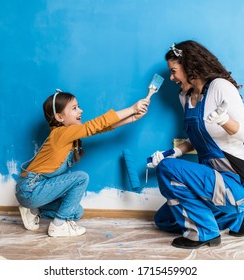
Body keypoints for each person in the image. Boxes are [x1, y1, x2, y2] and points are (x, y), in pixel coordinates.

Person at [149, 40, 244, 249]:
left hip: (237, 181)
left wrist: (223, 120)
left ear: (189, 66)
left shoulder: (220, 87)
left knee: (167, 170)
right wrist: (172, 153)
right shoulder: (186, 97)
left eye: (174, 72)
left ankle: (205, 234)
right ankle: (234, 219)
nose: (171, 78)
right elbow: (197, 139)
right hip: (213, 180)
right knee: (164, 220)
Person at [15, 89, 150, 237]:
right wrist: (132, 108)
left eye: (78, 106)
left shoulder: (69, 135)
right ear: (59, 117)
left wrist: (132, 118)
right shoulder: (60, 134)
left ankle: (34, 210)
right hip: (30, 190)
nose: (81, 110)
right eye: (74, 108)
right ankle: (58, 226)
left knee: (76, 211)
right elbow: (96, 125)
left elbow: (100, 129)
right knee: (81, 178)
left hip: (35, 192)